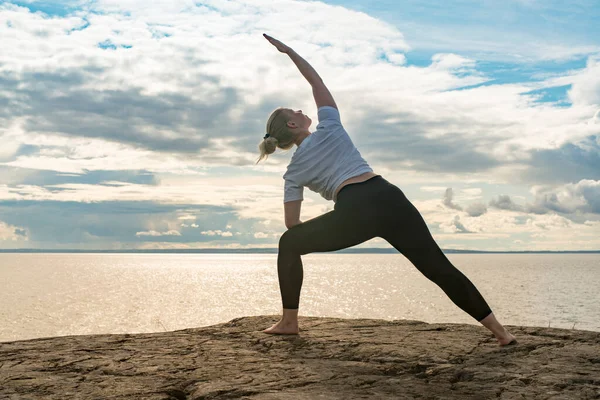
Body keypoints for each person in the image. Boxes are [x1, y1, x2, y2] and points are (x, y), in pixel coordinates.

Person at [257, 34, 517, 346]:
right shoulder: (329, 126)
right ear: (295, 127)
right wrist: (290, 53)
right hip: (389, 197)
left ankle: (289, 322)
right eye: (294, 112)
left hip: (353, 210)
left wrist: (318, 234)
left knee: (289, 243)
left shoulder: (293, 172)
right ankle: (502, 334)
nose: (300, 110)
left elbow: (291, 225)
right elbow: (316, 82)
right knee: (438, 268)